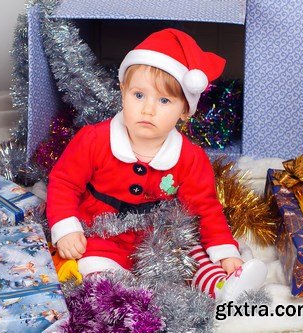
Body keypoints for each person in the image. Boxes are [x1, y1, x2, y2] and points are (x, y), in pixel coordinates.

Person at [47, 28, 267, 300]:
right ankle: (126, 299)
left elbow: (205, 208)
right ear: (123, 91)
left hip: (160, 236)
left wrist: (224, 249)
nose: (148, 109)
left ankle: (224, 287)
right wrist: (67, 228)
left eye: (164, 100)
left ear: (185, 110)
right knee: (93, 267)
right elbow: (64, 183)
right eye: (139, 95)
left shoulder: (189, 157)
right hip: (101, 233)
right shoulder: (94, 139)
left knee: (192, 254)